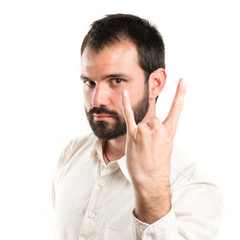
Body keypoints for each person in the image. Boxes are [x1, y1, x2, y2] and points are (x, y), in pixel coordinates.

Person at [52, 14, 221, 240]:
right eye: (89, 82)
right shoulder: (71, 154)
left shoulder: (193, 188)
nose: (97, 100)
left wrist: (152, 193)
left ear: (155, 84)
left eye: (116, 81)